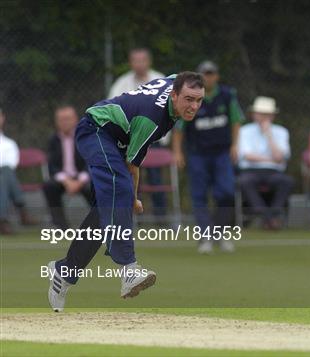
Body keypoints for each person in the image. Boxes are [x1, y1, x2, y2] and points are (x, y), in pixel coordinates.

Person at [47, 72, 204, 312]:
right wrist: (132, 197)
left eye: (199, 100)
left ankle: (64, 273)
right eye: (189, 99)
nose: (194, 106)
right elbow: (133, 166)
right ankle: (129, 271)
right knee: (119, 187)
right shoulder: (152, 119)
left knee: (104, 214)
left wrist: (130, 198)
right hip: (96, 130)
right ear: (174, 94)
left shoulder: (176, 84)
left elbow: (178, 75)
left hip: (117, 138)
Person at [171, 61, 244, 254]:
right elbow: (179, 128)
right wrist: (177, 152)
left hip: (222, 153)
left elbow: (236, 121)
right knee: (199, 195)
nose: (209, 77)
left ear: (217, 76)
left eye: (211, 74)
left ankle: (220, 232)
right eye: (205, 74)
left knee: (226, 192)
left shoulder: (228, 95)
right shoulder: (192, 97)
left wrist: (235, 145)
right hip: (198, 154)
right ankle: (205, 237)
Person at [109, 48, 168, 220]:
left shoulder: (161, 79)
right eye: (135, 60)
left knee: (156, 181)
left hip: (154, 141)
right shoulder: (121, 83)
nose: (139, 64)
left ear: (148, 62)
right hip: (129, 141)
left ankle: (161, 219)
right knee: (134, 183)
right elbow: (114, 108)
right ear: (131, 63)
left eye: (142, 60)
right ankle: (135, 221)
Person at [237, 96, 293, 230]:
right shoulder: (244, 131)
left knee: (286, 181)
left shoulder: (281, 132)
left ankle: (270, 217)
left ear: (272, 116)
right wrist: (271, 159)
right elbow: (247, 156)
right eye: (260, 113)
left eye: (266, 114)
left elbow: (280, 157)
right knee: (245, 181)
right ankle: (269, 217)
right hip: (251, 171)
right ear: (254, 114)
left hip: (274, 172)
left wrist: (268, 134)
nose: (263, 117)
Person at [43, 105, 92, 229]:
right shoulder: (53, 140)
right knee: (49, 187)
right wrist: (66, 181)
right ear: (56, 122)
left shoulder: (86, 137)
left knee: (94, 187)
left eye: (67, 119)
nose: (64, 122)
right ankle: (61, 227)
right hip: (63, 179)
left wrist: (79, 181)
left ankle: (99, 224)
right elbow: (52, 166)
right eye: (61, 119)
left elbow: (91, 162)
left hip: (83, 177)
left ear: (76, 119)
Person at [0, 108, 36, 234]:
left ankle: (3, 220)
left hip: (4, 178)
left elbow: (11, 165)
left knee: (4, 175)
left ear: (2, 118)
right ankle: (22, 211)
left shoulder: (10, 144)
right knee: (4, 175)